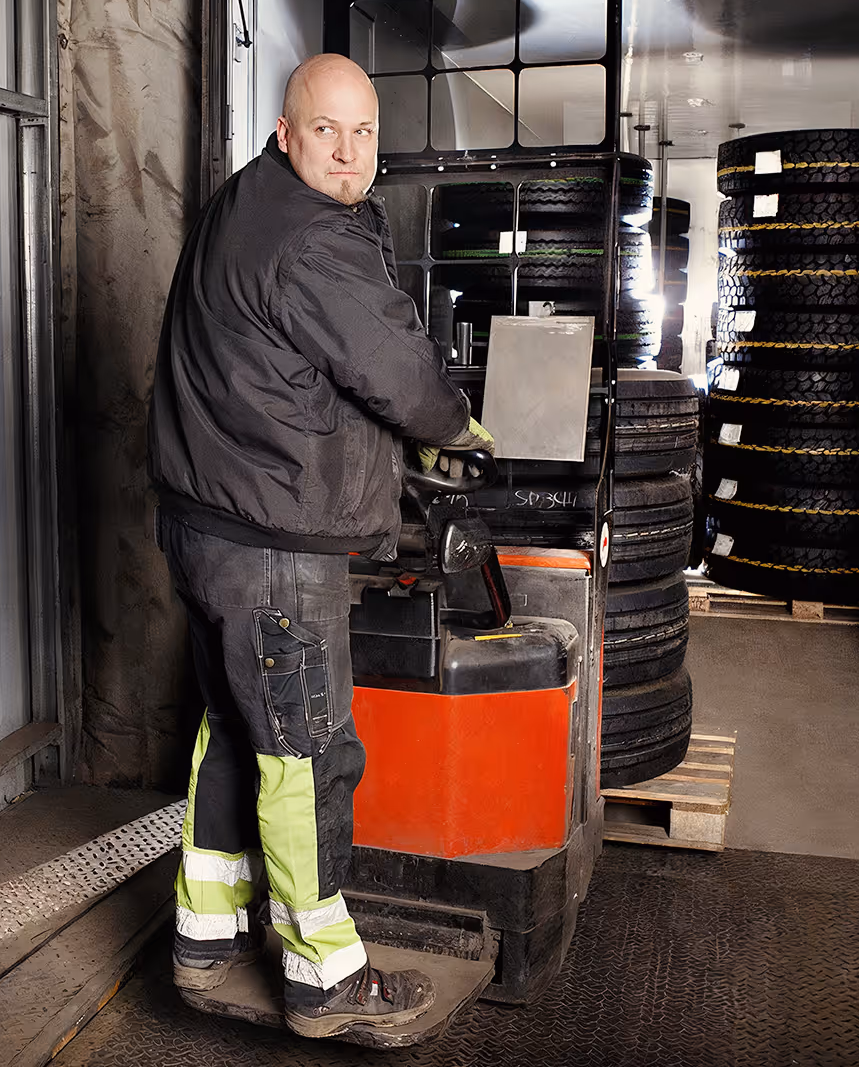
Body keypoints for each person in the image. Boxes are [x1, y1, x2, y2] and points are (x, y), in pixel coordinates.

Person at [148, 53, 494, 1041]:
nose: (348, 154)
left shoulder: (243, 200)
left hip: (206, 521)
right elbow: (396, 370)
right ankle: (323, 975)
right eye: (326, 130)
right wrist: (454, 427)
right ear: (286, 130)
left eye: (363, 133)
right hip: (272, 541)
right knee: (307, 751)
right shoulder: (315, 240)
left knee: (235, 728)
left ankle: (205, 935)